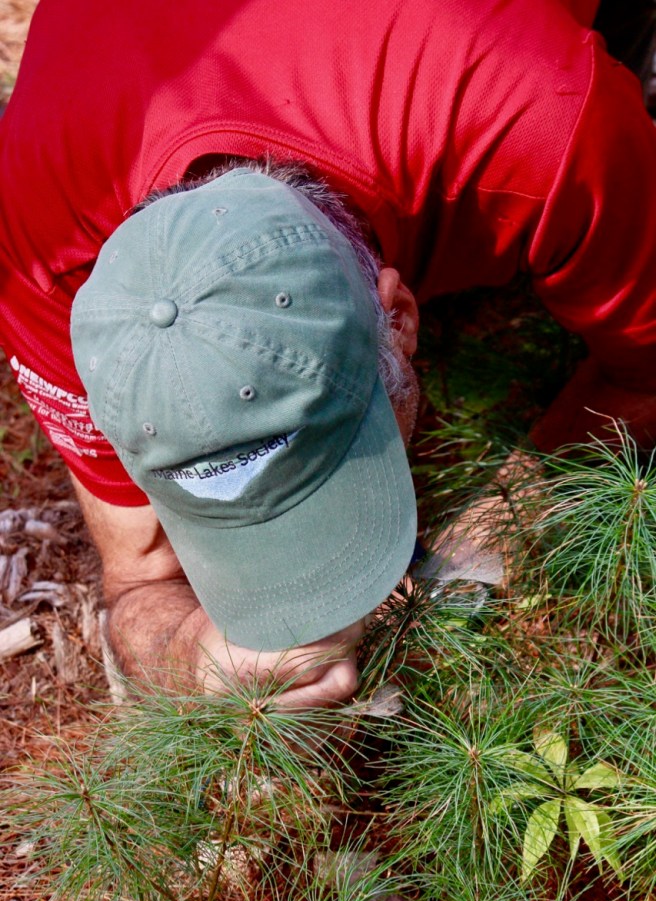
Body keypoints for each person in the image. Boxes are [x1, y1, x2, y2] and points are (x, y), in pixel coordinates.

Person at [1, 0, 656, 706]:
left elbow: (646, 371)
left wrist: (496, 522)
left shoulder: (543, 126)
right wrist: (195, 654)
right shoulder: (40, 256)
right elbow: (138, 578)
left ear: (402, 318)